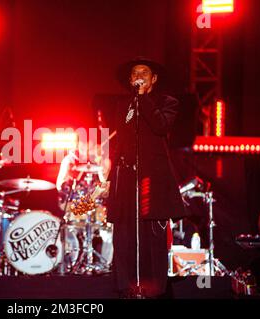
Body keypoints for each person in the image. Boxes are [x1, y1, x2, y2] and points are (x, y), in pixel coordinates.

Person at [108, 57, 187, 298]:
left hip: (152, 184)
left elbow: (161, 126)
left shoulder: (166, 102)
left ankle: (156, 291)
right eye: (134, 73)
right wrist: (109, 178)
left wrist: (143, 98)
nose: (138, 76)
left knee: (152, 238)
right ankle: (126, 288)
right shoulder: (124, 106)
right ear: (130, 79)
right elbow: (120, 142)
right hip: (126, 182)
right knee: (123, 237)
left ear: (153, 79)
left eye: (144, 72)